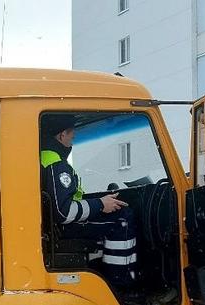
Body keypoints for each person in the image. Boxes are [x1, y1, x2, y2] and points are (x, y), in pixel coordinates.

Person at [40, 114, 138, 288]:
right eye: (72, 133)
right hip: (64, 227)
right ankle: (120, 285)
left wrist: (100, 202)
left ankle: (99, 272)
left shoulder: (45, 157)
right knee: (123, 218)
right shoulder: (57, 164)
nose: (74, 137)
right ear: (62, 135)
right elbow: (64, 212)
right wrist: (100, 204)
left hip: (55, 226)